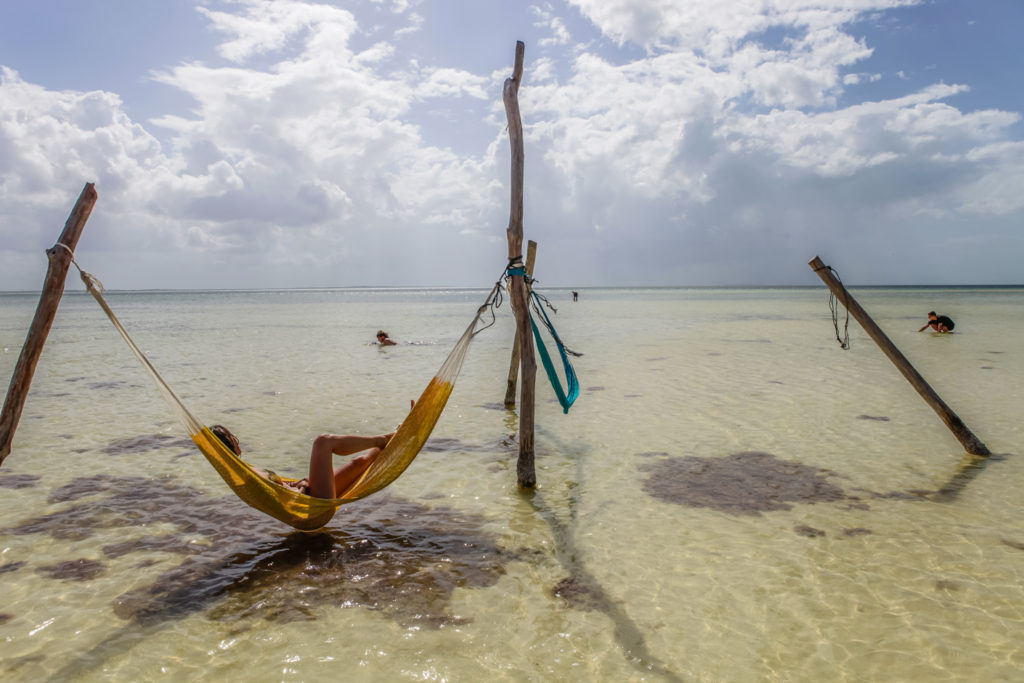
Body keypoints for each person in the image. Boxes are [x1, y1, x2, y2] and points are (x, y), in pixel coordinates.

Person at [210, 424, 394, 499]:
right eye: (232, 437)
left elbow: (278, 489)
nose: (236, 439)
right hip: (311, 503)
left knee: (359, 463)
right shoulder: (245, 474)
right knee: (323, 441)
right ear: (230, 442)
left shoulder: (243, 470)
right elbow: (282, 497)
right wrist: (304, 486)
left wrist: (297, 483)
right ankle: (382, 439)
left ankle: (397, 438)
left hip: (309, 495)